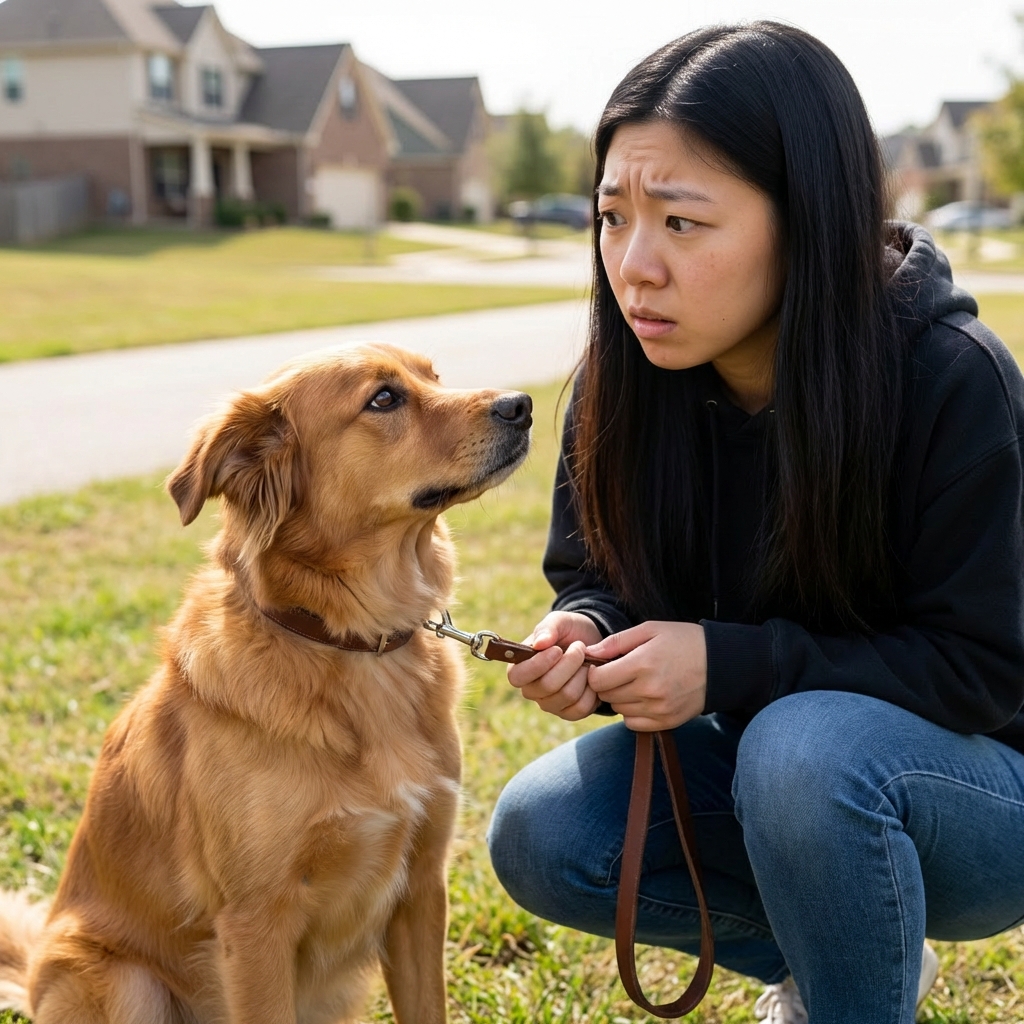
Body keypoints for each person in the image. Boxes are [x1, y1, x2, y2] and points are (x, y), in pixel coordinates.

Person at [485, 21, 1024, 1024]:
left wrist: (730, 664)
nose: (632, 265)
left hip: (984, 796)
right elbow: (600, 572)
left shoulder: (951, 379)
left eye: (681, 223)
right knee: (543, 829)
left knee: (801, 748)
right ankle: (846, 955)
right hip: (788, 780)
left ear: (806, 218)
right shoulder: (626, 380)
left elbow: (985, 671)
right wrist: (589, 629)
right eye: (610, 217)